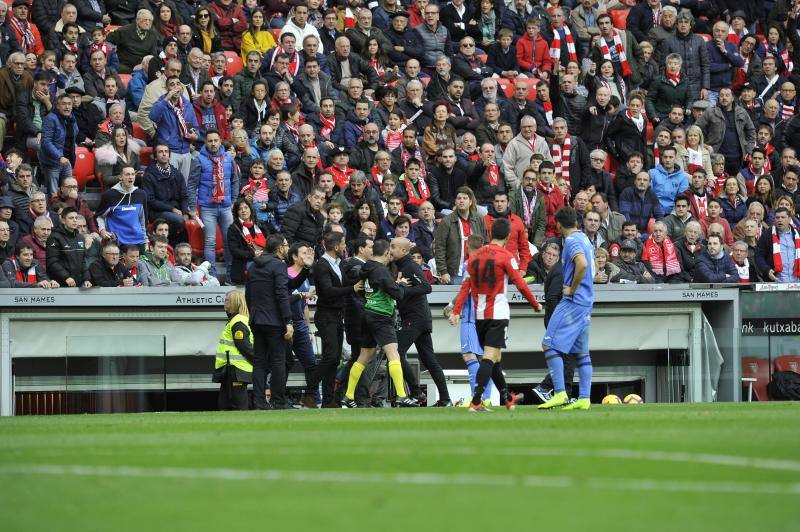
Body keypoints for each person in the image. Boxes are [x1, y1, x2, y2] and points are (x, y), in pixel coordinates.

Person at [449, 217, 541, 412]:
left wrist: (456, 310)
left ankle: (507, 398)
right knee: (489, 357)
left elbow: (465, 286)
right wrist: (535, 304)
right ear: (507, 236)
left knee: (495, 358)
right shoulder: (506, 256)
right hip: (498, 315)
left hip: (479, 316)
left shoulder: (474, 257)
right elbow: (520, 283)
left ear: (490, 233)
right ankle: (476, 400)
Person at [342, 238, 419, 408]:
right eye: (389, 253)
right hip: (381, 316)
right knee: (393, 354)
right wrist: (402, 285)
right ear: (385, 253)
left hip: (368, 313)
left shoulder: (366, 268)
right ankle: (401, 395)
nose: (391, 256)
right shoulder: (381, 270)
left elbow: (375, 287)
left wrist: (393, 285)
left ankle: (348, 396)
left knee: (364, 356)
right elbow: (397, 294)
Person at [392, 237, 451, 406]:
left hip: (415, 318)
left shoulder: (410, 267)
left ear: (404, 251)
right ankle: (445, 399)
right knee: (429, 360)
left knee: (395, 353)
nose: (391, 249)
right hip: (419, 318)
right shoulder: (402, 266)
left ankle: (416, 393)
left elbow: (427, 287)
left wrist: (403, 290)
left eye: (393, 247)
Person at [245, 233, 294, 409]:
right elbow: (281, 294)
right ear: (280, 248)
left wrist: (253, 314)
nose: (288, 248)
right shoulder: (279, 265)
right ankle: (278, 400)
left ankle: (259, 401)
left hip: (256, 319)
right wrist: (288, 321)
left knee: (259, 362)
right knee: (278, 361)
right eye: (286, 245)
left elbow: (248, 295)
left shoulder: (253, 267)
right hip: (274, 321)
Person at [188, 130, 238, 278]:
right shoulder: (199, 159)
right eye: (210, 141)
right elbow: (192, 185)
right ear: (206, 142)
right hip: (207, 207)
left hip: (226, 206)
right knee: (210, 241)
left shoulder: (228, 158)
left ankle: (230, 274)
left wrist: (234, 200)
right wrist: (192, 207)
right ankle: (211, 275)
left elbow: (235, 180)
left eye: (216, 140)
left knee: (229, 240)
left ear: (220, 141)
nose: (213, 143)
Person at [213, 290, 254, 411]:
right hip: (231, 370)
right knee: (225, 404)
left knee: (238, 405)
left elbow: (245, 347)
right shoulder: (236, 321)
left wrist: (259, 363)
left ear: (234, 303)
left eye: (227, 300)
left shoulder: (238, 323)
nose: (224, 303)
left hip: (236, 370)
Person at [95, 167, 148, 248]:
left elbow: (143, 220)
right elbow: (99, 216)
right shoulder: (109, 195)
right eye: (127, 174)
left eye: (133, 174)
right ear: (120, 177)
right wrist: (102, 230)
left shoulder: (141, 194)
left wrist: (145, 240)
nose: (130, 177)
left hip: (138, 241)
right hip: (117, 243)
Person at [46, 206, 91, 288]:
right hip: (60, 285)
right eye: (71, 218)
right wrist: (66, 277)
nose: (74, 220)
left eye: (76, 218)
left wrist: (86, 279)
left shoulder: (80, 237)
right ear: (63, 220)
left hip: (78, 284)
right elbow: (52, 262)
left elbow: (83, 261)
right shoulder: (54, 237)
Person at [756, 207, 800, 283]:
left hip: (796, 281)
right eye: (777, 217)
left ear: (789, 219)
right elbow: (758, 256)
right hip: (776, 281)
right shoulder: (767, 235)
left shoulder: (797, 234)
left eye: (783, 217)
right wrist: (767, 270)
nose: (780, 220)